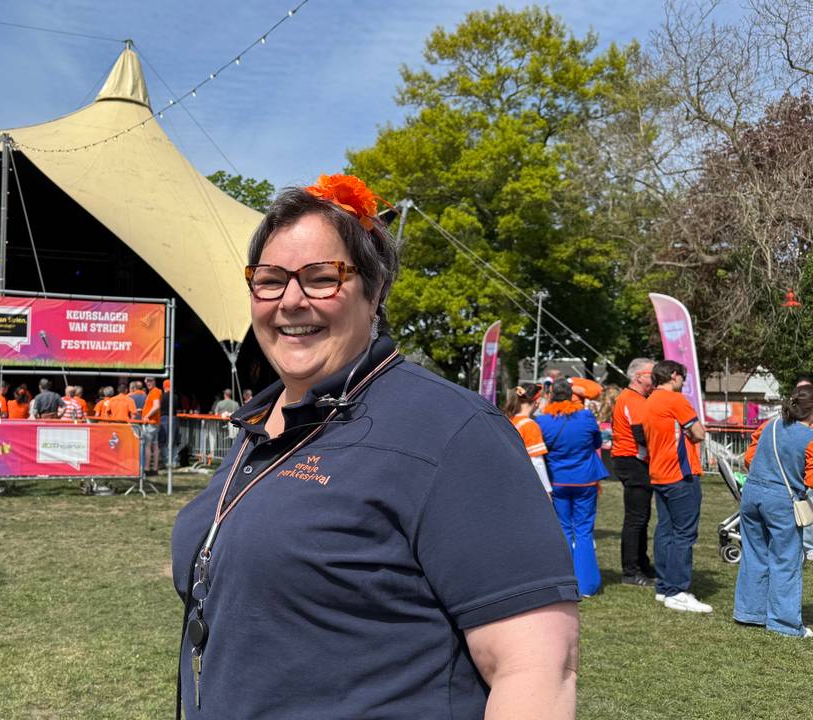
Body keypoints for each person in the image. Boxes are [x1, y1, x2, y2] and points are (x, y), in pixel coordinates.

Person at [171, 176, 578, 718]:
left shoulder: (453, 430)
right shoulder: (257, 426)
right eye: (269, 280)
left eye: (320, 278)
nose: (291, 301)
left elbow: (537, 669)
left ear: (375, 289)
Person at [735, 385, 813, 637]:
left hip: (752, 494)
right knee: (786, 560)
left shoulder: (770, 425)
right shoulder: (809, 437)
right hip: (781, 500)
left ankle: (750, 612)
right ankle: (784, 622)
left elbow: (750, 457)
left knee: (754, 553)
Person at [643, 359, 710, 613]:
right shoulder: (675, 400)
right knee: (684, 534)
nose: (683, 381)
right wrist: (693, 434)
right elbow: (699, 432)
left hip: (659, 474)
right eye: (682, 377)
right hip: (680, 474)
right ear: (673, 375)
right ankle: (677, 590)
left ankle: (664, 586)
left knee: (665, 530)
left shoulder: (649, 400)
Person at [536, 379, 606, 598]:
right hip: (585, 480)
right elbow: (596, 443)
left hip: (557, 481)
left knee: (564, 529)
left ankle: (566, 582)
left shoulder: (543, 421)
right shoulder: (585, 417)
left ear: (550, 395)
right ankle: (587, 585)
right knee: (584, 531)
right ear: (571, 395)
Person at [612, 358, 657, 586]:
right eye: (652, 373)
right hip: (632, 461)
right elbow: (643, 435)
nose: (656, 377)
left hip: (633, 460)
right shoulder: (633, 399)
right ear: (638, 376)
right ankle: (631, 571)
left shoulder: (637, 398)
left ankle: (641, 564)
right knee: (636, 518)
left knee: (641, 516)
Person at [504, 384, 550, 494]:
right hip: (525, 481)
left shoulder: (508, 420)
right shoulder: (530, 425)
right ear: (537, 401)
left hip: (509, 477)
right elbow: (536, 462)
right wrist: (547, 490)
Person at [141, 376, 163, 473]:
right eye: (146, 381)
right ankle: (154, 469)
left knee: (147, 445)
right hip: (154, 422)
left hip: (151, 423)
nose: (147, 383)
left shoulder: (154, 392)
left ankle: (147, 468)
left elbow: (156, 406)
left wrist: (147, 416)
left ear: (154, 381)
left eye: (150, 381)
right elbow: (155, 406)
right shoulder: (154, 391)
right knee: (155, 445)